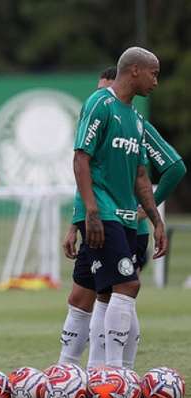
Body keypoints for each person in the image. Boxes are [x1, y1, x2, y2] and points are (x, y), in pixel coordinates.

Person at [57, 66, 185, 369]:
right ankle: (75, 370)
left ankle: (112, 372)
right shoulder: (100, 106)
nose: (156, 80)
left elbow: (157, 171)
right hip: (100, 218)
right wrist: (80, 220)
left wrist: (153, 216)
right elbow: (83, 165)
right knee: (87, 295)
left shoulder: (135, 120)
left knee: (120, 289)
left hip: (125, 222)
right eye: (153, 73)